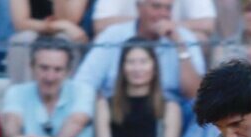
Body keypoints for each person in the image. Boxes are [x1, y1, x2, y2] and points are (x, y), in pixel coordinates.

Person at [75, 0, 207, 103]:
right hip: (118, 109)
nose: (163, 14)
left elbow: (195, 94)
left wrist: (180, 45)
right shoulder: (113, 35)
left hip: (171, 114)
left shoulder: (183, 38)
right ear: (139, 8)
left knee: (208, 115)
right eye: (156, 6)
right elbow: (84, 82)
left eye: (168, 8)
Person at [1, 37, 95, 137]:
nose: (50, 77)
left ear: (68, 71)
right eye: (44, 68)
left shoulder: (82, 90)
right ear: (32, 67)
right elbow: (12, 120)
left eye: (58, 70)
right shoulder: (16, 92)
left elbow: (76, 121)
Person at [95, 40, 182, 137]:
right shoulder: (104, 105)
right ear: (122, 68)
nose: (137, 69)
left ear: (154, 67)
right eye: (131, 62)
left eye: (143, 62)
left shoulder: (170, 107)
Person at [6, 0, 92, 85]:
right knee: (23, 39)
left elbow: (72, 21)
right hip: (33, 31)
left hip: (67, 34)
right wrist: (57, 26)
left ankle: (65, 95)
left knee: (66, 39)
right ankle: (22, 92)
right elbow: (20, 24)